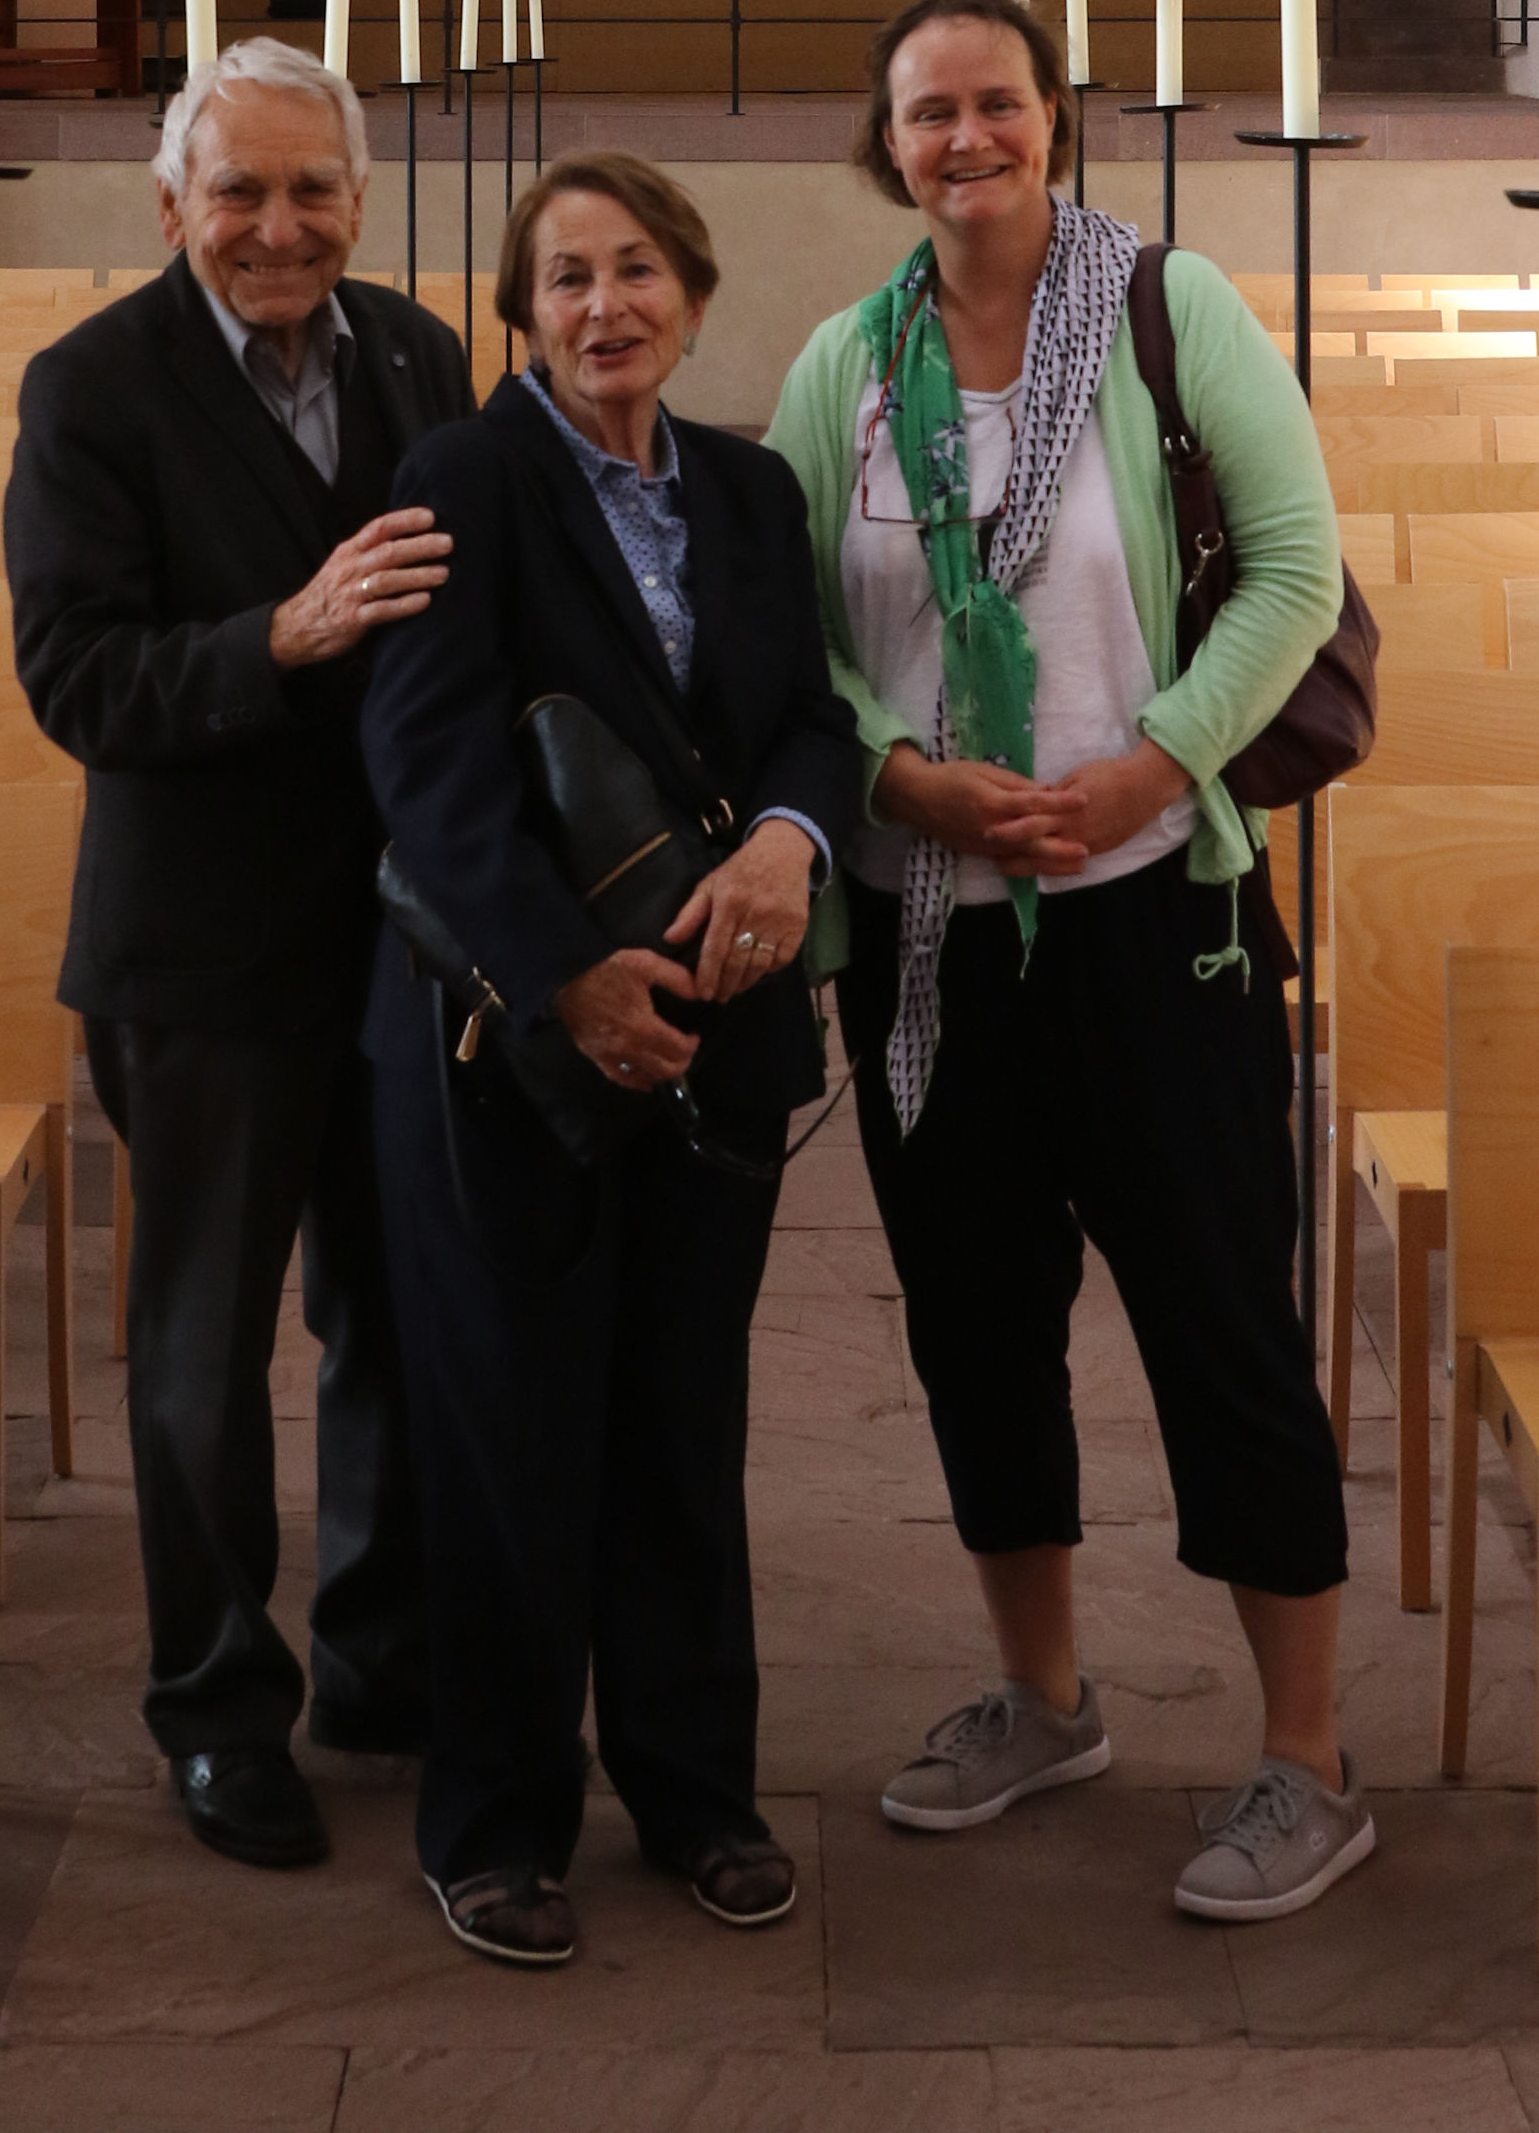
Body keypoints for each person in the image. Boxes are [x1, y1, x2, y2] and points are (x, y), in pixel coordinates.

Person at [764, 0, 1369, 1925]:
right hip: (930, 938)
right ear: (888, 145)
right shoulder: (843, 365)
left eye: (997, 102)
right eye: (928, 110)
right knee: (975, 1325)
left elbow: (1293, 569)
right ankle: (1043, 1697)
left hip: (1159, 920)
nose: (967, 137)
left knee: (1222, 1323)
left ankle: (1307, 1760)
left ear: (1055, 118)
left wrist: (1149, 769)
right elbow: (789, 643)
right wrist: (904, 781)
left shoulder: (1170, 311)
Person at [361, 154, 862, 1969]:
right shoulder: (463, 478)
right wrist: (567, 979)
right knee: (511, 1427)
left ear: (695, 298)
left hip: (717, 1023)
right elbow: (426, 768)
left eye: (637, 270)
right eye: (566, 277)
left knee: (679, 1417)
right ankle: (494, 1822)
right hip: (510, 1039)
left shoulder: (750, 487)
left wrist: (792, 839)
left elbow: (807, 713)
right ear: (521, 313)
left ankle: (696, 1790)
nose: (604, 307)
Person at [8, 36, 474, 1872]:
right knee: (202, 1352)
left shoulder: (420, 354)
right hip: (198, 948)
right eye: (239, 192)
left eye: (311, 190)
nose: (278, 227)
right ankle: (216, 1710)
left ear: (358, 199)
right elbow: (76, 677)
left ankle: (382, 1659)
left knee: (394, 1314)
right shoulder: (93, 388)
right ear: (170, 206)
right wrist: (278, 638)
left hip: (398, 937)